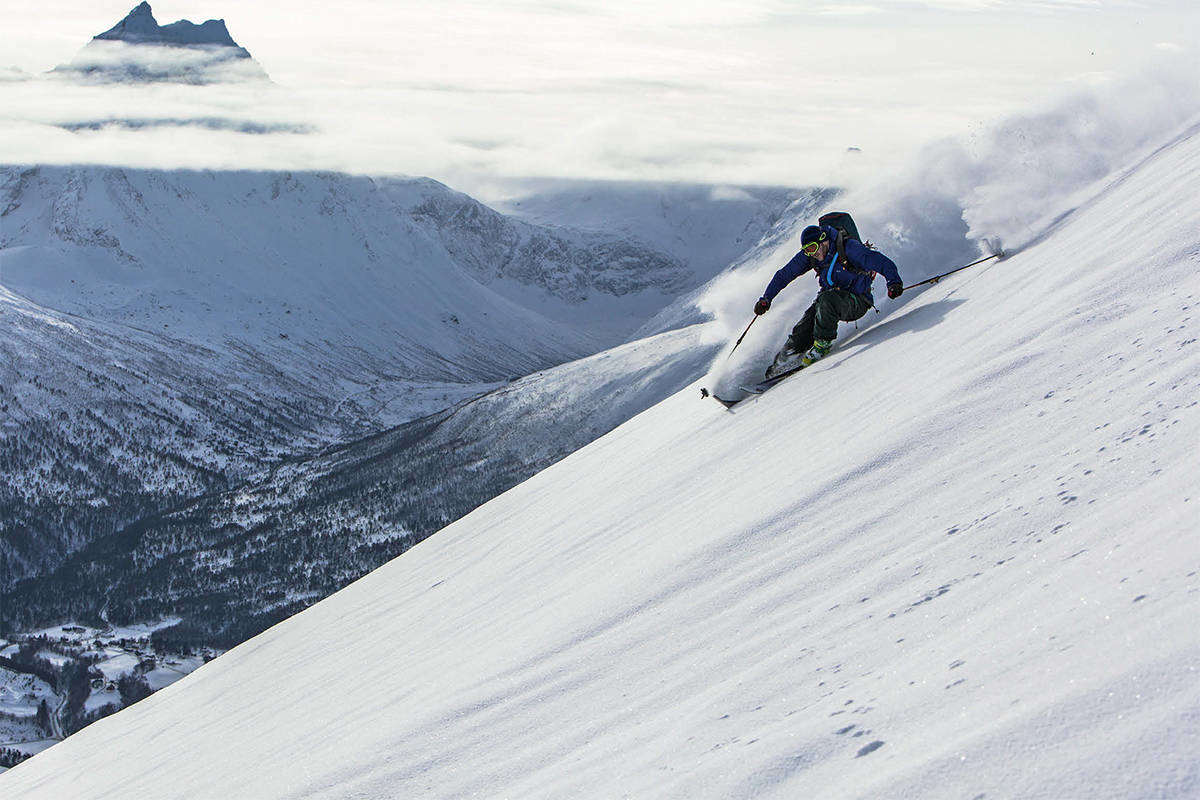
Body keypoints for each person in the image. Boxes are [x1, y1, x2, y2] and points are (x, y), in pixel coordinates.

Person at [753, 223, 903, 378]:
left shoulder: (848, 248)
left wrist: (894, 282)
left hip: (856, 301)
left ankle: (822, 344)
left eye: (812, 248)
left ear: (824, 241)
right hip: (826, 302)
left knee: (827, 300)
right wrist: (766, 298)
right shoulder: (812, 256)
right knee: (802, 330)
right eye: (807, 251)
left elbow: (879, 261)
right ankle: (779, 366)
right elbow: (784, 275)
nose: (812, 254)